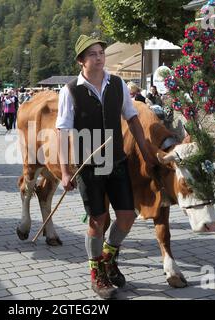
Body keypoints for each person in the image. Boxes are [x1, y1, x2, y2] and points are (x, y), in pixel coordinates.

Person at [56, 34, 158, 300]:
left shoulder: (117, 84)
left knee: (127, 215)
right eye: (92, 54)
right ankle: (96, 274)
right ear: (81, 61)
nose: (99, 57)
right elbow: (63, 132)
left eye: (101, 52)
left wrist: (146, 153)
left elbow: (132, 118)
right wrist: (66, 172)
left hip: (116, 160)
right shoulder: (70, 91)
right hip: (88, 166)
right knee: (97, 220)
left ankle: (109, 258)